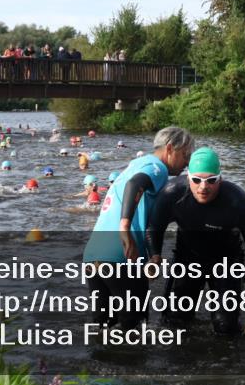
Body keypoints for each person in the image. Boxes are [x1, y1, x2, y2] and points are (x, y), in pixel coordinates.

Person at [147, 147, 245, 337]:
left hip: (226, 261)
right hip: (187, 258)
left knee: (225, 328)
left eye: (211, 180)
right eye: (197, 180)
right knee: (174, 323)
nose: (203, 187)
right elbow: (154, 227)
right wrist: (155, 255)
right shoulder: (172, 193)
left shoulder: (238, 202)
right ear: (188, 177)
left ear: (220, 179)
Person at [82, 126, 195, 330]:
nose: (187, 163)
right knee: (133, 328)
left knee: (103, 327)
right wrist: (124, 229)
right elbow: (135, 184)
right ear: (170, 148)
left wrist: (153, 255)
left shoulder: (136, 164)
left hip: (94, 254)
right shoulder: (157, 168)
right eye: (186, 155)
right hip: (122, 255)